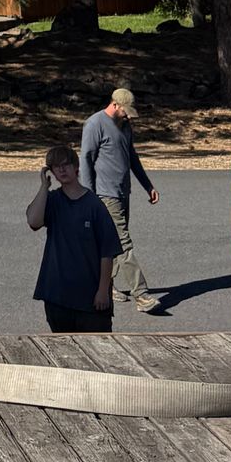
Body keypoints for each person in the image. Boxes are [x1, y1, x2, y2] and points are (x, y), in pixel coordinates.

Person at [81, 83, 162, 314]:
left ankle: (107, 286)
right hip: (104, 195)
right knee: (123, 243)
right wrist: (88, 196)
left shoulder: (125, 125)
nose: (128, 115)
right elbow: (86, 159)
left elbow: (132, 157)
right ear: (114, 104)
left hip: (122, 191)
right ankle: (141, 294)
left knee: (112, 243)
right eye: (125, 110)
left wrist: (148, 185)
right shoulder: (95, 124)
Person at [25, 140, 121, 332]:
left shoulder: (94, 205)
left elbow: (107, 252)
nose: (61, 170)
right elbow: (34, 221)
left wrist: (103, 291)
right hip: (57, 295)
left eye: (66, 164)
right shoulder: (52, 200)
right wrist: (44, 186)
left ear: (76, 167)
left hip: (90, 298)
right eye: (55, 166)